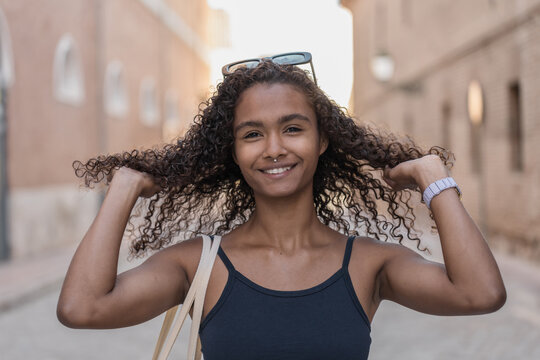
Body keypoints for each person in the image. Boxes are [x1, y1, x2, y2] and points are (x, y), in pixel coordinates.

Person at [57, 52, 506, 359]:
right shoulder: (199, 264)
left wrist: (434, 178)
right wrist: (122, 188)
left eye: (292, 128)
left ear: (322, 138)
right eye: (252, 134)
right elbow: (81, 308)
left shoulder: (369, 263)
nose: (273, 148)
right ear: (233, 152)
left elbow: (480, 293)